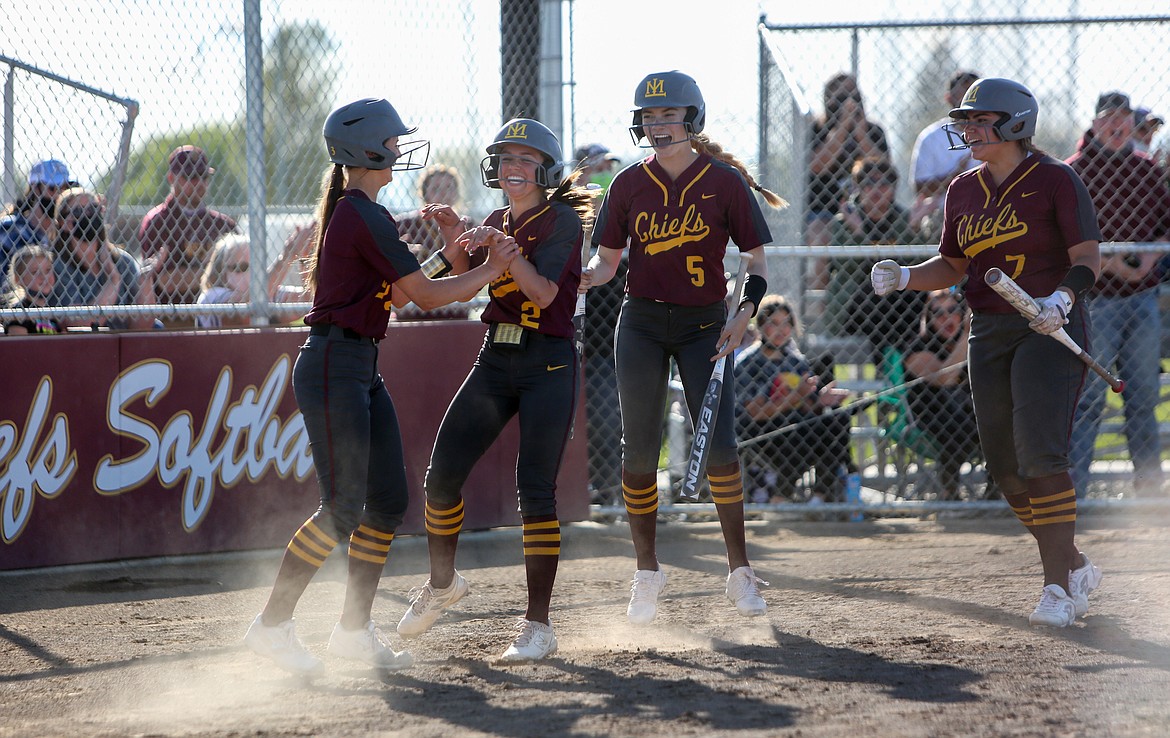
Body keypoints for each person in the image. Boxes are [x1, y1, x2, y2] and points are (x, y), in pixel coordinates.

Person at [243, 97, 519, 676]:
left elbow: (401, 292)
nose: (398, 150)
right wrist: (491, 271)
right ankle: (271, 626)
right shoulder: (360, 212)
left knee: (387, 501)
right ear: (365, 149)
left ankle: (352, 634)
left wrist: (450, 257)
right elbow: (426, 296)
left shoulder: (363, 212)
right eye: (390, 143)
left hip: (358, 366)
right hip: (333, 364)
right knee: (342, 508)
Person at [870, 77, 1104, 628]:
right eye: (966, 120)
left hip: (1048, 327)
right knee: (1005, 468)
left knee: (1042, 455)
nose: (969, 128)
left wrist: (1061, 297)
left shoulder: (1055, 179)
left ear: (1016, 123)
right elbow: (953, 266)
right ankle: (1073, 563)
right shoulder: (963, 190)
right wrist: (905, 275)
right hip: (990, 329)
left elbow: (1088, 256)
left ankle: (1056, 590)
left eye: (981, 119)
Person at [579, 70, 785, 624]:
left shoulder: (722, 182)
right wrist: (581, 276)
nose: (658, 126)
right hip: (641, 322)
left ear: (692, 120)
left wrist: (743, 316)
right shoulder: (627, 183)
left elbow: (756, 262)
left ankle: (739, 571)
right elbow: (607, 263)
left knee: (720, 445)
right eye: (649, 118)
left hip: (704, 323)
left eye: (669, 116)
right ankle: (647, 572)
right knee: (639, 450)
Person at [395, 118, 593, 662]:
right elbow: (465, 273)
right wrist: (455, 235)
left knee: (535, 490)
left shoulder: (562, 222)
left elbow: (547, 294)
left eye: (526, 159)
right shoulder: (495, 218)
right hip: (497, 355)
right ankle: (442, 584)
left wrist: (505, 250)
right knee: (441, 477)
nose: (513, 168)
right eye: (507, 158)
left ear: (546, 170)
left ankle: (538, 625)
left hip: (547, 361)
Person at [1066, 91, 1170, 498]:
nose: (1117, 126)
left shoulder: (1146, 171)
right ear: (1094, 125)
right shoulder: (1075, 172)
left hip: (1141, 299)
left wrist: (1148, 261)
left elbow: (1166, 224)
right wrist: (1104, 264)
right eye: (1109, 118)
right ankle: (1075, 492)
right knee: (1090, 398)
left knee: (1143, 396)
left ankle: (1148, 494)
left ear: (1132, 125)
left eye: (1124, 119)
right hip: (1095, 301)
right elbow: (1063, 235)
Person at [735, 294, 852, 504]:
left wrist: (820, 401)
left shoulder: (795, 361)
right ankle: (782, 495)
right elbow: (756, 413)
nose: (782, 330)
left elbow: (807, 406)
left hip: (797, 426)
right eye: (774, 324)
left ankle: (818, 498)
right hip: (761, 431)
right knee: (801, 429)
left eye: (787, 323)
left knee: (838, 421)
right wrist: (797, 397)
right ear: (761, 326)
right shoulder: (748, 362)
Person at [823, 158, 926, 358]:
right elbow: (848, 267)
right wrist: (859, 232)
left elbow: (915, 265)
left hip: (899, 300)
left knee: (906, 289)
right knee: (870, 291)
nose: (877, 190)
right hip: (856, 303)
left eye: (884, 183)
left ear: (893, 188)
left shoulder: (904, 218)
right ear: (859, 188)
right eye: (869, 183)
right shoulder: (845, 222)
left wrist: (911, 230)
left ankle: (895, 362)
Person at [137, 145, 239, 321]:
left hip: (218, 318)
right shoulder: (157, 222)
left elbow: (242, 276)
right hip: (171, 320)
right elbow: (165, 282)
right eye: (190, 176)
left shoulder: (223, 224)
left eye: (203, 176)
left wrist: (188, 274)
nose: (198, 183)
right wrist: (216, 270)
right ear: (171, 178)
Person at [901, 289, 981, 500]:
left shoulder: (977, 343)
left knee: (995, 421)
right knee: (956, 427)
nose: (947, 318)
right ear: (929, 318)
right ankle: (949, 493)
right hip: (929, 414)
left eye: (954, 311)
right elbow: (946, 379)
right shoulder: (917, 346)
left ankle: (995, 493)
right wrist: (966, 335)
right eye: (939, 313)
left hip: (968, 409)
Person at [806, 73, 889, 252]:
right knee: (820, 247)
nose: (850, 103)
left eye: (854, 96)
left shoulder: (873, 131)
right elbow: (817, 167)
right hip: (825, 210)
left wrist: (861, 133)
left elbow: (884, 169)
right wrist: (843, 126)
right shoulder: (817, 129)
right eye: (842, 98)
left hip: (871, 211)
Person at [52, 189, 157, 331]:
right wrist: (113, 280)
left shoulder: (122, 261)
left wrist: (145, 281)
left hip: (124, 342)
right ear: (64, 223)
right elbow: (81, 324)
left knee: (158, 326)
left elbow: (141, 326)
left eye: (93, 208)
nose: (88, 215)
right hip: (84, 345)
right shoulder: (57, 266)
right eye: (78, 211)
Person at [393, 164, 475, 320]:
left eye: (449, 188)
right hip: (412, 312)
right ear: (424, 194)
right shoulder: (405, 225)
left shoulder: (466, 225)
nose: (444, 193)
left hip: (455, 312)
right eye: (436, 188)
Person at [909, 71, 981, 240]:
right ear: (949, 98)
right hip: (944, 212)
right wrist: (955, 177)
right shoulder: (931, 137)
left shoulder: (996, 134)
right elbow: (921, 187)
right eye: (962, 93)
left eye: (974, 93)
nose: (968, 99)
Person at [195, 229, 311, 328]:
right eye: (242, 267)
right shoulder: (211, 296)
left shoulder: (269, 291)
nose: (251, 274)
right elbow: (241, 314)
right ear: (221, 271)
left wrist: (305, 257)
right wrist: (288, 256)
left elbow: (307, 301)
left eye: (256, 266)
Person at [1, 159, 71, 285]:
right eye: (52, 188)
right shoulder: (10, 229)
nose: (59, 195)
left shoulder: (67, 231)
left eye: (65, 188)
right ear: (35, 188)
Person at [2, 245, 62, 335]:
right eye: (35, 272)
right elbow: (18, 345)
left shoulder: (49, 312)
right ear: (19, 279)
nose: (44, 277)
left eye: (48, 270)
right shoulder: (19, 312)